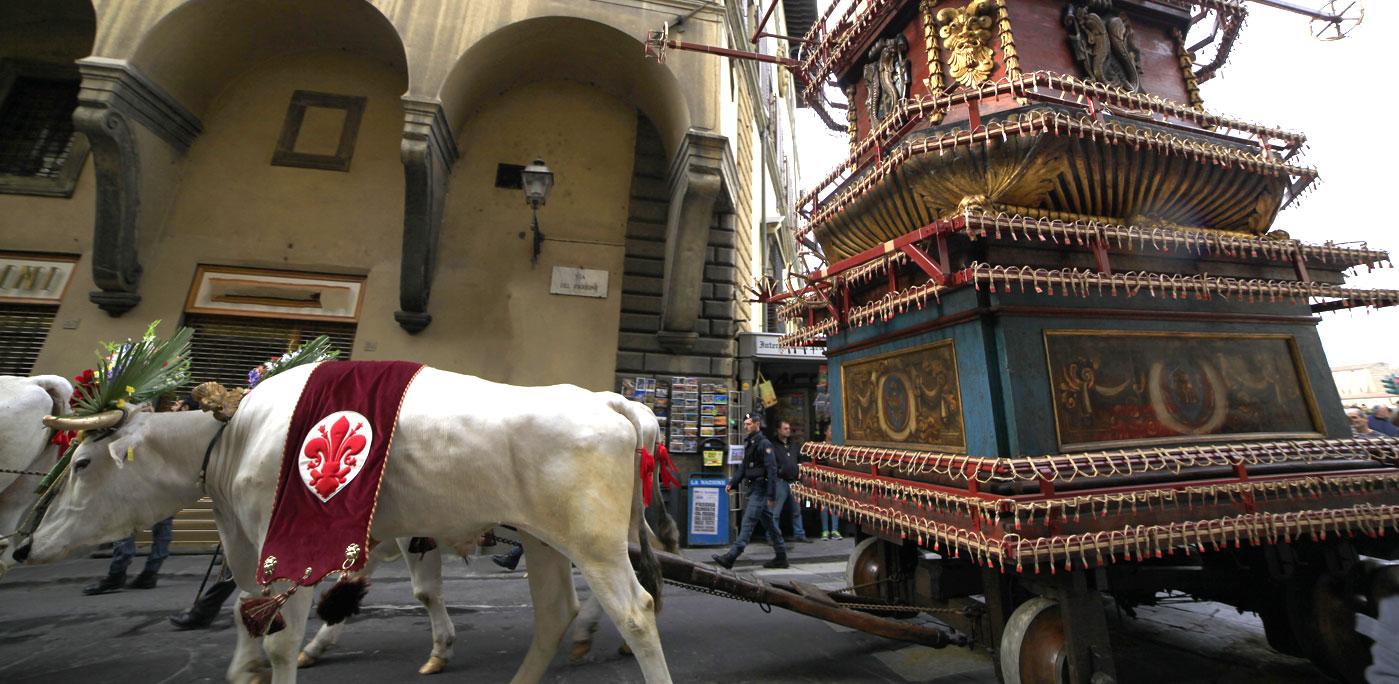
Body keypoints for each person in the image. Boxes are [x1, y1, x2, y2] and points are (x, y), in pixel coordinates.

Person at [711, 415, 788, 569]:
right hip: (754, 488)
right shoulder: (750, 443)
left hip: (761, 489)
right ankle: (781, 555)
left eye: (748, 424)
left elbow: (771, 470)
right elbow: (743, 467)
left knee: (748, 522)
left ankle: (732, 556)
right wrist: (733, 483)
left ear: (757, 424)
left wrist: (771, 495)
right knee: (770, 524)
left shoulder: (764, 444)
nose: (745, 427)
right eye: (744, 424)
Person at [771, 421, 811, 543]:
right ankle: (773, 536)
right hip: (780, 481)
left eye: (789, 428)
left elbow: (799, 458)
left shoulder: (794, 445)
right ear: (778, 430)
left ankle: (799, 533)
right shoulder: (773, 445)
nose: (788, 431)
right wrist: (778, 470)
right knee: (775, 512)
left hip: (794, 481)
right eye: (785, 428)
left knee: (796, 510)